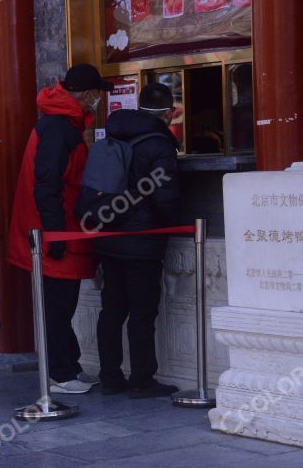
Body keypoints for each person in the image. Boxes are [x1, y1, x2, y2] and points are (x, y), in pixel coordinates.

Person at [8, 64, 113, 394]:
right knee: (58, 306)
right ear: (84, 94)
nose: (98, 101)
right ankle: (61, 373)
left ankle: (68, 366)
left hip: (57, 231)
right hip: (55, 234)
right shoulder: (58, 128)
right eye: (96, 94)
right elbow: (46, 185)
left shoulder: (60, 123)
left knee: (59, 305)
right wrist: (54, 235)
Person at [93, 83, 181, 398]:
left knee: (113, 309)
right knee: (142, 312)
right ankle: (142, 378)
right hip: (143, 242)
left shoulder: (113, 134)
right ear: (169, 113)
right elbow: (164, 197)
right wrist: (169, 223)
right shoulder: (160, 144)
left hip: (108, 236)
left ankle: (111, 376)